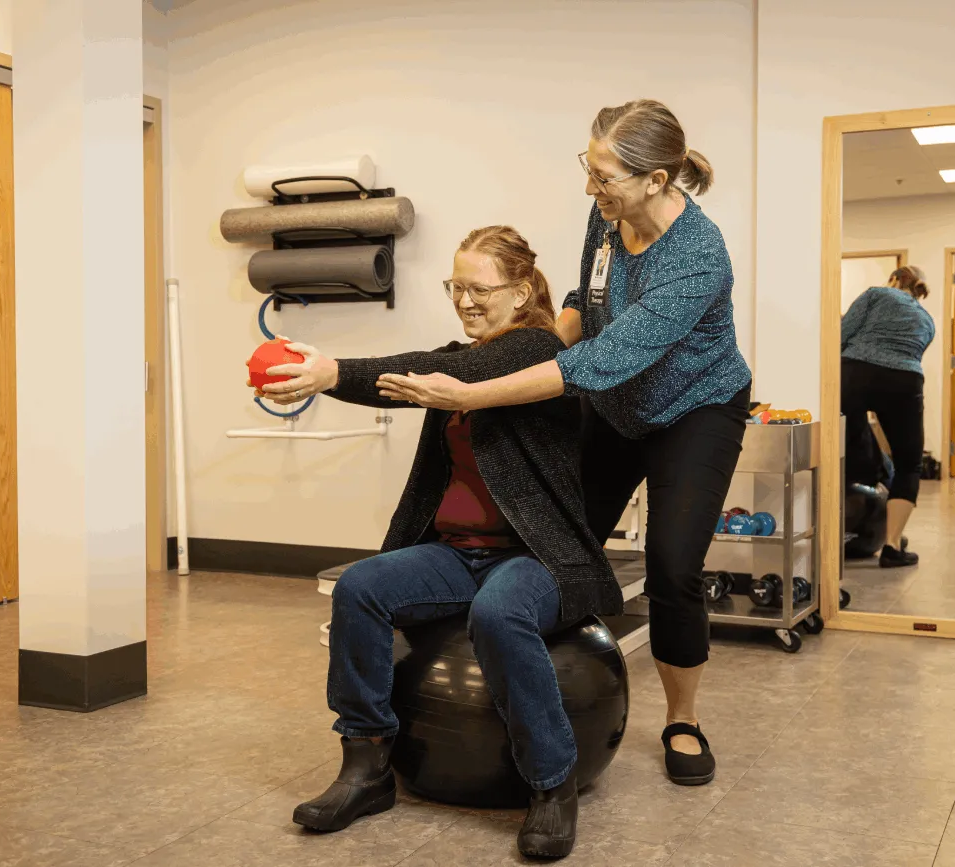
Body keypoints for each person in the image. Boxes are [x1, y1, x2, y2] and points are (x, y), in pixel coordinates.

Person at [373, 100, 751, 788]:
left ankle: (683, 718)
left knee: (671, 566)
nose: (590, 187)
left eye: (605, 177)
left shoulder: (699, 256)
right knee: (550, 529)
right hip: (616, 404)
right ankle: (513, 649)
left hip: (694, 408)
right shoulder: (607, 216)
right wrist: (541, 333)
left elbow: (602, 361)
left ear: (658, 180)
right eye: (591, 168)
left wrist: (469, 394)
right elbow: (590, 300)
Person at [256, 226, 622, 860]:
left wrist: (332, 372)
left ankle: (551, 786)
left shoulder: (532, 351)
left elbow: (453, 370)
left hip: (533, 556)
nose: (465, 300)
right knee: (362, 588)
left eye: (480, 288)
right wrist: (327, 373)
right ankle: (367, 766)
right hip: (456, 553)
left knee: (499, 612)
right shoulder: (464, 356)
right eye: (456, 286)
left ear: (522, 289)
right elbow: (437, 367)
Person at [840, 264, 935, 567]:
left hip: (855, 372)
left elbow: (842, 334)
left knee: (837, 452)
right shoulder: (927, 320)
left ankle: (831, 537)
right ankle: (893, 546)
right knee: (910, 464)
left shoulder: (876, 294)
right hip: (905, 380)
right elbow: (913, 357)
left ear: (894, 279)